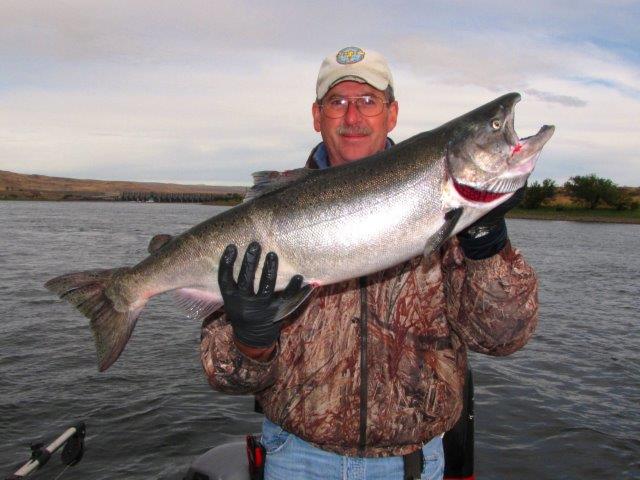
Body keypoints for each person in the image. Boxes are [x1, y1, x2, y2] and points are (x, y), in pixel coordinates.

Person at [199, 46, 538, 480]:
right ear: (317, 116)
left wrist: (485, 240)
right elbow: (225, 376)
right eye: (337, 102)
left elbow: (503, 339)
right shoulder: (266, 219)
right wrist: (251, 342)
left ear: (391, 113)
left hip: (414, 464)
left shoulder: (454, 219)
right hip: (296, 458)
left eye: (368, 100)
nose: (353, 116)